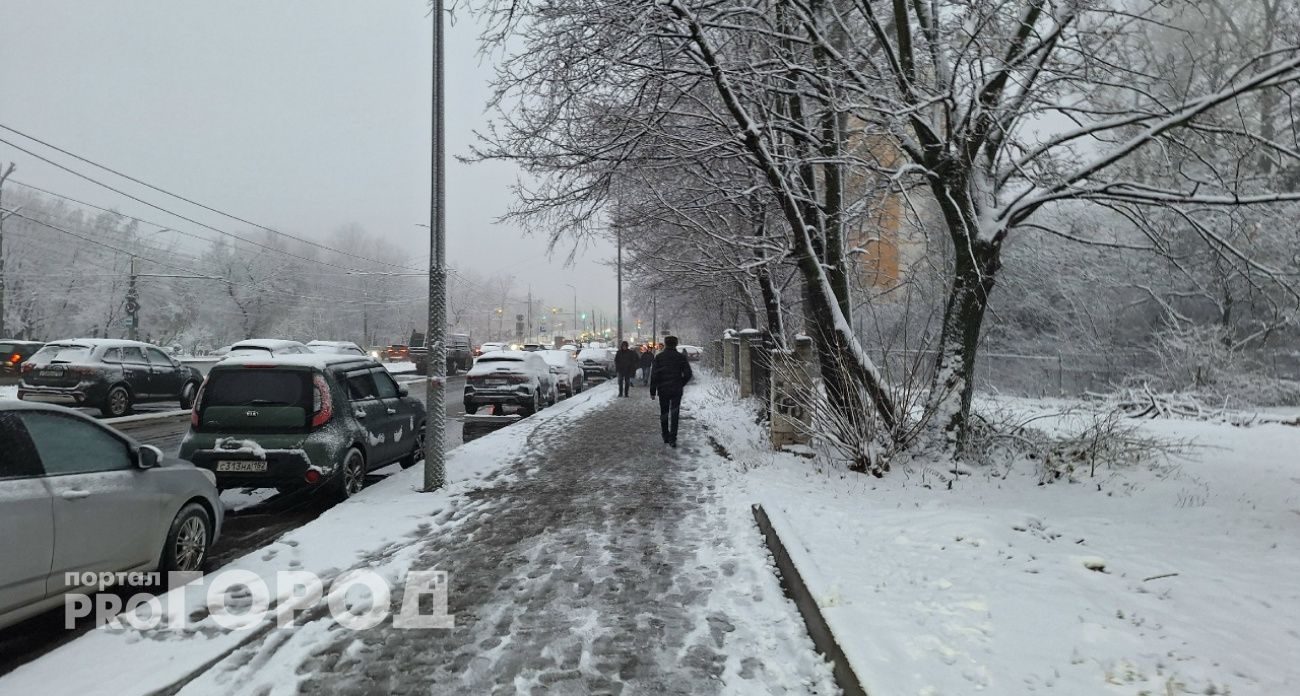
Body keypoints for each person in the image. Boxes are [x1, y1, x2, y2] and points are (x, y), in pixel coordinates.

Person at [649, 336, 692, 447]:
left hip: (663, 389)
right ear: (676, 344)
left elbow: (654, 375)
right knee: (675, 413)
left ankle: (665, 435)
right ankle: (673, 437)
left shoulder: (659, 357)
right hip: (676, 389)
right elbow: (688, 374)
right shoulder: (680, 357)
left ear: (666, 344)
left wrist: (653, 391)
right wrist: (680, 383)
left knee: (664, 412)